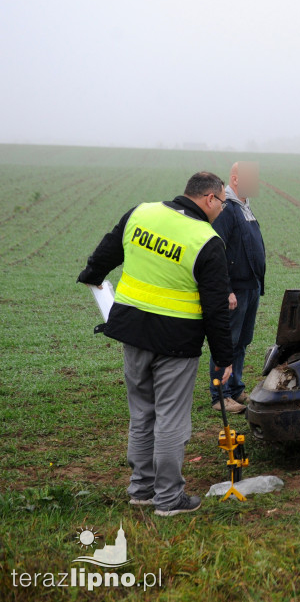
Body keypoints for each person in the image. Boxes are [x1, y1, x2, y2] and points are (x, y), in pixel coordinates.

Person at [77, 172, 235, 517]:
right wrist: (224, 358)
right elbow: (216, 308)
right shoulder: (206, 240)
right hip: (176, 343)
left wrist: (91, 275)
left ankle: (141, 490)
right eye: (223, 203)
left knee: (142, 412)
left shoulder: (142, 213)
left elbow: (105, 254)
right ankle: (168, 499)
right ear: (210, 199)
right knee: (171, 419)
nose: (222, 210)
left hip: (132, 335)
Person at [209, 161, 266, 414]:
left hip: (251, 287)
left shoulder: (245, 207)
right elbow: (217, 250)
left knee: (242, 341)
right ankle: (220, 396)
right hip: (236, 290)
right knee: (227, 342)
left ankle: (236, 387)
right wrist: (227, 288)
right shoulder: (227, 209)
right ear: (234, 179)